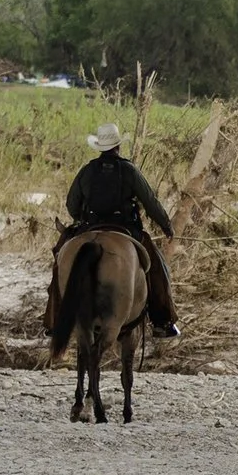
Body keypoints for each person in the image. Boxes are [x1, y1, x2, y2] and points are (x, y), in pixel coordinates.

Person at [59, 123, 180, 338]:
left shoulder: (87, 171)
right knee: (158, 268)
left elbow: (71, 204)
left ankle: (54, 319)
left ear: (100, 147)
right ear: (118, 147)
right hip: (125, 228)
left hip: (90, 225)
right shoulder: (129, 170)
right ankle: (162, 320)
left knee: (59, 261)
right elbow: (150, 201)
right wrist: (166, 224)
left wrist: (81, 220)